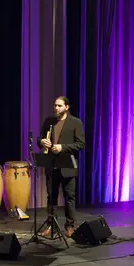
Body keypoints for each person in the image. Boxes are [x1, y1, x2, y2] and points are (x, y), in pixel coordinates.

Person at [37, 96, 85, 238]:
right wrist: (42, 142)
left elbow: (80, 144)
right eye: (55, 105)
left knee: (69, 197)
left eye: (59, 106)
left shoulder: (76, 122)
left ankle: (70, 226)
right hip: (51, 165)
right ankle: (51, 226)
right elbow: (40, 138)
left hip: (68, 166)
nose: (56, 108)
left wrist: (62, 147)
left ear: (67, 107)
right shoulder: (49, 121)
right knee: (51, 197)